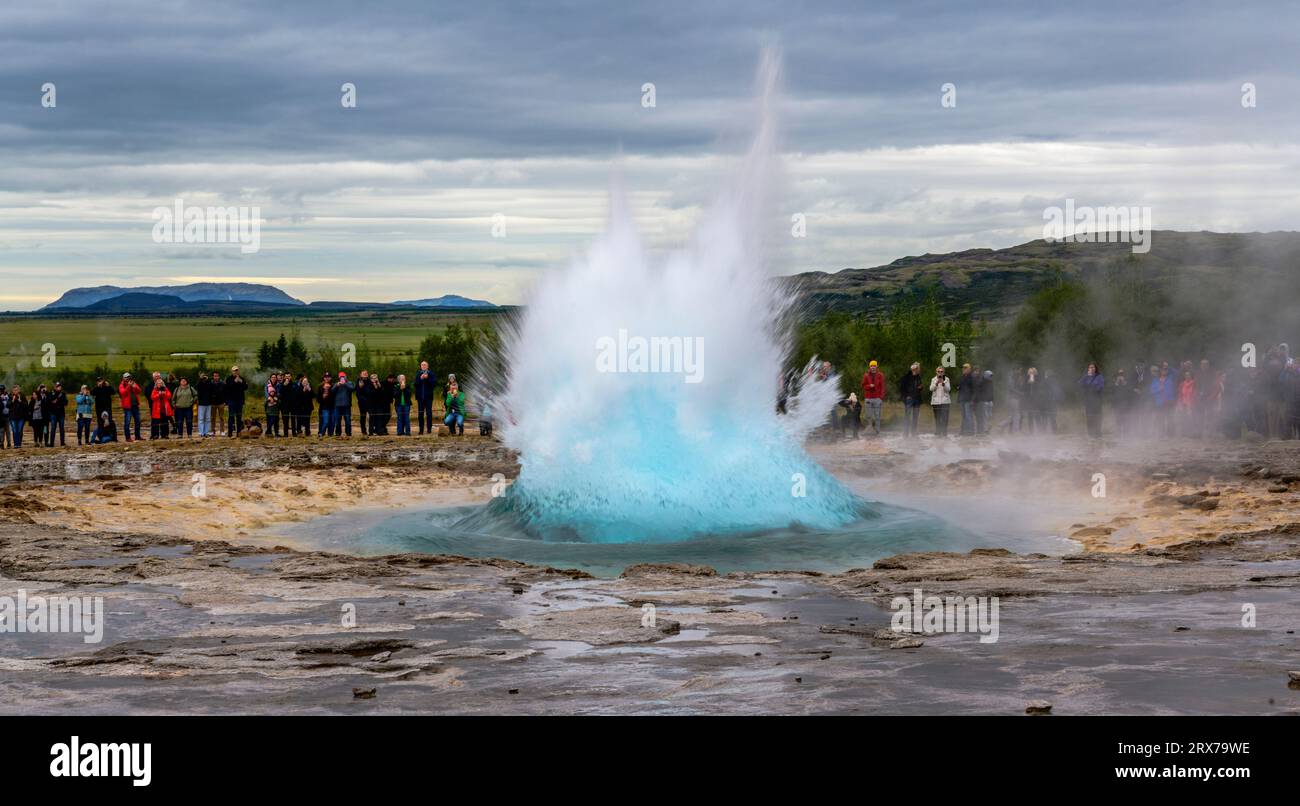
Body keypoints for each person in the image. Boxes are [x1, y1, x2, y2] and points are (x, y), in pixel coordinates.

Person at [1078, 362, 1105, 439]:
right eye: (1090, 367)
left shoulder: (1099, 377)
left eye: (1093, 367)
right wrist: (1087, 377)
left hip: (1097, 401)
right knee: (1089, 418)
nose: (1091, 368)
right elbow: (1079, 384)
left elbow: (1100, 388)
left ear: (1096, 368)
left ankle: (1098, 434)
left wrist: (1089, 386)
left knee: (1097, 417)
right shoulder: (1086, 377)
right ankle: (1090, 434)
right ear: (1088, 369)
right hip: (1088, 401)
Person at [1150, 364, 1177, 437]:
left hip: (1169, 402)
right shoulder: (1155, 380)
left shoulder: (1170, 378)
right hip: (1160, 403)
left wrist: (1168, 366)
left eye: (1166, 370)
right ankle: (1161, 433)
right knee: (1161, 418)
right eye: (1163, 369)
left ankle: (1170, 434)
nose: (1164, 371)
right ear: (1160, 371)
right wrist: (1159, 389)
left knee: (1170, 418)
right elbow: (1152, 390)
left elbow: (1177, 372)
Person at [860, 360, 885, 436]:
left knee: (877, 416)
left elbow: (883, 387)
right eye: (871, 366)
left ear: (876, 366)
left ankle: (877, 432)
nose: (873, 367)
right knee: (868, 416)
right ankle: (869, 431)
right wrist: (869, 386)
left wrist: (881, 398)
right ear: (869, 367)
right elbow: (863, 385)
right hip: (868, 398)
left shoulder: (880, 375)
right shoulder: (866, 375)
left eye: (874, 366)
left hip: (877, 399)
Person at [899, 362, 923, 438]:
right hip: (909, 399)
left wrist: (921, 387)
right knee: (907, 416)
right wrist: (906, 396)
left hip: (917, 400)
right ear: (913, 369)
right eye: (917, 368)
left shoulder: (918, 377)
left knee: (915, 417)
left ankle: (914, 433)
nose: (918, 369)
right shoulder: (907, 377)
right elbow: (902, 388)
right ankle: (905, 433)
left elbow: (918, 387)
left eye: (918, 368)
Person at [118, 372, 144, 442]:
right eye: (127, 377)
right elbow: (123, 393)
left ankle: (137, 436)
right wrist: (129, 386)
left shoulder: (133, 383)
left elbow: (139, 391)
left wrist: (135, 387)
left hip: (135, 405)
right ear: (123, 378)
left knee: (138, 421)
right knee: (127, 422)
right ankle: (128, 437)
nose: (128, 378)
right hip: (127, 407)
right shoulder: (122, 385)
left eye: (129, 377)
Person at [226, 366, 248, 437]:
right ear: (232, 371)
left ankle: (239, 432)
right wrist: (235, 381)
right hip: (231, 401)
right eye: (234, 371)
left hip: (239, 401)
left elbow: (246, 387)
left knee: (239, 417)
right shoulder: (229, 379)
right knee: (231, 417)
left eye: (237, 370)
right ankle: (230, 432)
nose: (236, 372)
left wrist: (241, 382)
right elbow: (228, 387)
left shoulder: (242, 379)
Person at [414, 360, 436, 435]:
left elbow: (433, 384)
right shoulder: (418, 374)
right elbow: (415, 384)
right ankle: (421, 430)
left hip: (429, 398)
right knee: (420, 414)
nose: (423, 366)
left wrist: (427, 378)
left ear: (427, 366)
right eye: (422, 365)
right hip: (420, 398)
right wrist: (421, 378)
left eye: (425, 365)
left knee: (429, 414)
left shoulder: (431, 374)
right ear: (420, 366)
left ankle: (429, 429)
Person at [929, 366, 951, 437]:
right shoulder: (933, 379)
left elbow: (948, 389)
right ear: (936, 372)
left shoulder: (947, 379)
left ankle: (944, 432)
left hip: (945, 402)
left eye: (941, 372)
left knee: (945, 418)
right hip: (936, 402)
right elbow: (931, 389)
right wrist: (936, 383)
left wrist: (943, 383)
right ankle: (938, 431)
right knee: (937, 417)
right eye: (939, 371)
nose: (940, 373)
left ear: (943, 372)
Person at [332, 372, 355, 436]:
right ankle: (338, 433)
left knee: (347, 420)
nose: (342, 378)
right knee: (338, 421)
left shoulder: (349, 383)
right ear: (339, 378)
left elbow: (352, 389)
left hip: (346, 405)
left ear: (346, 377)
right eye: (341, 377)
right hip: (337, 406)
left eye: (343, 377)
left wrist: (345, 384)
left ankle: (348, 433)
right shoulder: (336, 384)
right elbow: (332, 391)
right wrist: (337, 386)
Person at [956, 363, 976, 436]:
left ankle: (971, 431)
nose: (964, 369)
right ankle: (963, 431)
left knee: (969, 416)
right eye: (963, 368)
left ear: (969, 369)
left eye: (965, 368)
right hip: (962, 399)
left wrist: (972, 400)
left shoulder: (972, 377)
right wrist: (958, 399)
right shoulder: (962, 377)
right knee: (964, 416)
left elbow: (975, 390)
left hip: (969, 400)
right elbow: (960, 388)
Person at [975, 369, 994, 436]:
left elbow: (991, 391)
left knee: (989, 416)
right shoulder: (981, 382)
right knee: (985, 416)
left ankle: (987, 428)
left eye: (991, 376)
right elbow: (978, 392)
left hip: (990, 401)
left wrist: (992, 400)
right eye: (990, 376)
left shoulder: (990, 382)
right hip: (984, 402)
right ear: (986, 375)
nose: (991, 377)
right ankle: (985, 430)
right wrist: (981, 399)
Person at [196, 372, 214, 437]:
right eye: (203, 376)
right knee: (201, 419)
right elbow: (198, 387)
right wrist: (200, 379)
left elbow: (211, 388)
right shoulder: (200, 383)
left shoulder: (209, 383)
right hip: (201, 404)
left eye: (205, 376)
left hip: (208, 403)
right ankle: (201, 432)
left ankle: (206, 432)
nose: (204, 377)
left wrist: (207, 379)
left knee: (208, 418)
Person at [210, 371, 227, 436]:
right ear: (213, 376)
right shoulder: (211, 384)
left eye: (217, 376)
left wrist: (225, 402)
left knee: (221, 417)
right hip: (213, 403)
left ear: (218, 376)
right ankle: (212, 431)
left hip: (221, 403)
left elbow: (226, 393)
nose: (216, 377)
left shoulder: (222, 384)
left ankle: (222, 431)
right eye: (214, 376)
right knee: (212, 418)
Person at [356, 370, 372, 436]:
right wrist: (360, 387)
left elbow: (371, 390)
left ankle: (371, 431)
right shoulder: (358, 381)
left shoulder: (369, 381)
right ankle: (363, 431)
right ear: (361, 375)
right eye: (363, 373)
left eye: (366, 373)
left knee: (371, 416)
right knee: (363, 417)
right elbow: (357, 393)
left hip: (370, 402)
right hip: (362, 402)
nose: (365, 374)